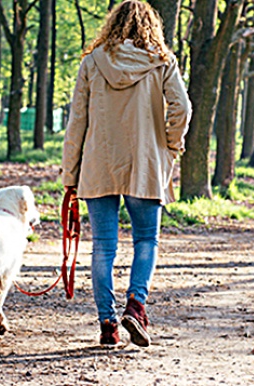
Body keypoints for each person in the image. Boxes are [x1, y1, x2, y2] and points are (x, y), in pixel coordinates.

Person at [61, 0, 191, 348]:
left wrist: (69, 176)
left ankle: (107, 323)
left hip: (98, 162)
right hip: (145, 163)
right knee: (146, 240)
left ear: (112, 23)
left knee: (104, 246)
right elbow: (182, 107)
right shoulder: (162, 60)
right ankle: (136, 304)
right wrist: (170, 147)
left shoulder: (92, 62)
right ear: (151, 25)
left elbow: (77, 121)